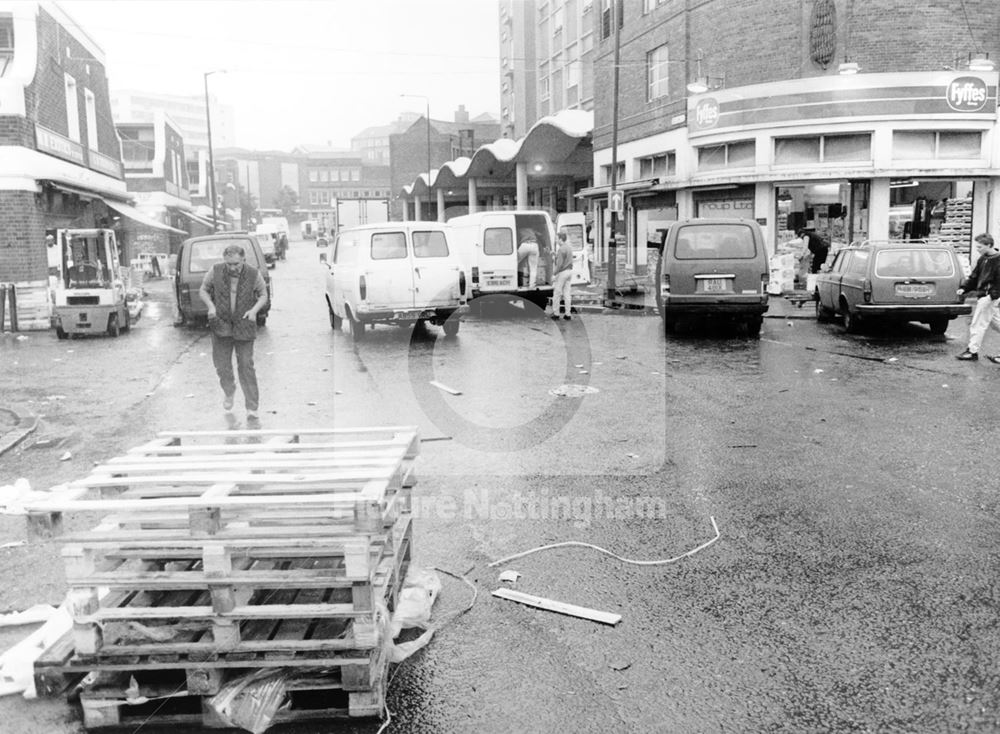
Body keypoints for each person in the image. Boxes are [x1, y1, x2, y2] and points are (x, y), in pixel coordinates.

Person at [199, 244, 269, 420]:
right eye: (229, 264)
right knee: (222, 366)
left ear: (243, 260)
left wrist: (254, 311)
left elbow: (263, 295)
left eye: (236, 264)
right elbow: (203, 290)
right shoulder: (215, 271)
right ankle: (229, 391)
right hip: (221, 324)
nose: (232, 268)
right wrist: (211, 307)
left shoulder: (253, 274)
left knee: (246, 365)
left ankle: (252, 407)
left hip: (244, 324)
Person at [956, 233, 1000, 361]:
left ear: (989, 245)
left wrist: (992, 296)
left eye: (980, 247)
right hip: (986, 296)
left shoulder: (998, 260)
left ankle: (972, 351)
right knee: (995, 323)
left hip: (988, 297)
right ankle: (972, 351)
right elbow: (974, 276)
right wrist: (964, 288)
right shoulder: (983, 259)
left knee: (977, 324)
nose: (977, 249)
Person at [551, 230, 574, 321]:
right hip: (569, 272)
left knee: (557, 293)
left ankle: (556, 314)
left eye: (557, 239)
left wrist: (554, 274)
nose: (556, 240)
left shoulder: (561, 249)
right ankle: (567, 314)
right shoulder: (568, 248)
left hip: (562, 273)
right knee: (567, 294)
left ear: (561, 239)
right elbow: (565, 259)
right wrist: (555, 255)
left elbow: (559, 265)